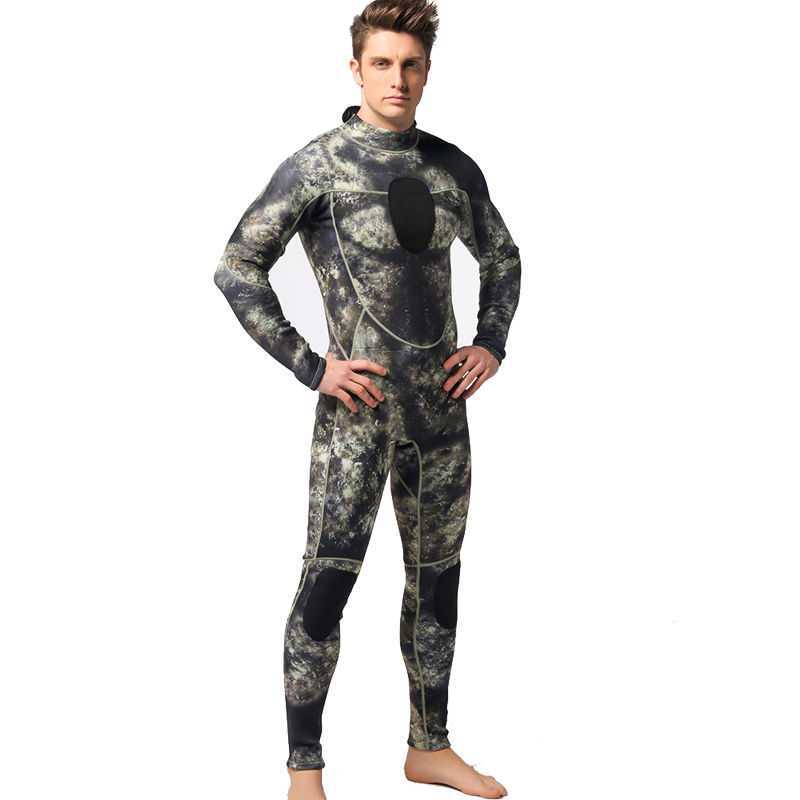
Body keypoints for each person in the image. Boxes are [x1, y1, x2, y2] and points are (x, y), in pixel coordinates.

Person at [214, 2, 520, 797]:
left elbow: (502, 257)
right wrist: (311, 367)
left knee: (438, 583)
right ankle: (305, 771)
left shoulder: (452, 168)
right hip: (357, 419)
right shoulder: (319, 165)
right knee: (327, 586)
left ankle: (430, 747)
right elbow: (237, 266)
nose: (398, 79)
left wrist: (490, 342)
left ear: (428, 71)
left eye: (411, 65)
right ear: (356, 69)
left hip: (440, 418)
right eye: (382, 63)